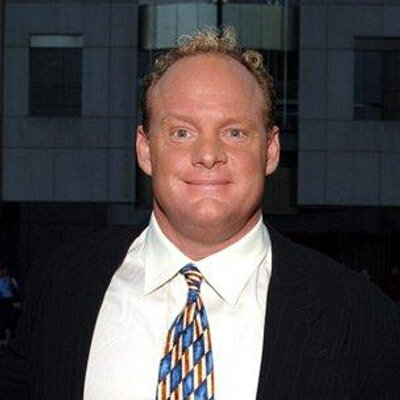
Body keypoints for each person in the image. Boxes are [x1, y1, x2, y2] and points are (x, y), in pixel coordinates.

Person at [1, 27, 400, 400]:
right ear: (145, 149)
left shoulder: (361, 318)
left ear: (271, 150)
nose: (208, 155)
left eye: (234, 132)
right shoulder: (61, 285)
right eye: (182, 132)